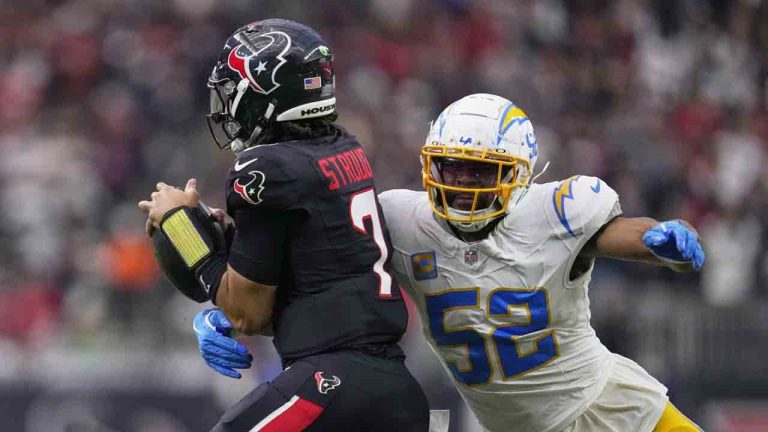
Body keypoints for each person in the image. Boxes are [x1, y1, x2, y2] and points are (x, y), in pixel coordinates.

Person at [196, 93, 706, 431]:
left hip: (608, 408)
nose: (459, 185)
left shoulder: (554, 214)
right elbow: (310, 270)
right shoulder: (398, 217)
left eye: (478, 172)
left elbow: (620, 234)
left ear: (520, 175)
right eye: (450, 169)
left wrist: (662, 240)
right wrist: (225, 310)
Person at [139, 19, 429, 432]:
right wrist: (220, 234)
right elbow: (308, 271)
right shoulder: (344, 147)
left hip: (335, 385)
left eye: (232, 89)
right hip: (390, 388)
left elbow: (248, 312)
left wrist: (179, 225)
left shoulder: (262, 167)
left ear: (264, 92)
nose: (226, 105)